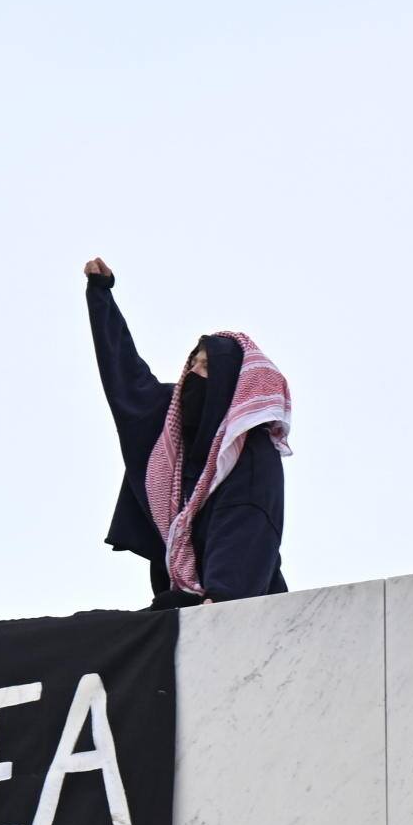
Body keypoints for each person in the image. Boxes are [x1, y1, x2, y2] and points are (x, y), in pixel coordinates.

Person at [82, 257, 291, 605]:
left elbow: (247, 527)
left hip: (245, 606)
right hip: (182, 604)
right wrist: (101, 298)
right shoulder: (171, 423)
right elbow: (126, 377)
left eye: (207, 367)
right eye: (191, 363)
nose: (194, 373)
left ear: (230, 383)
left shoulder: (251, 452)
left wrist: (219, 599)